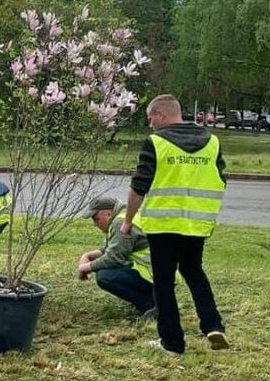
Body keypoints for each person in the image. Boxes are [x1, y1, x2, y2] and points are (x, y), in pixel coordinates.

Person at [121, 94, 229, 355]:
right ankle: (213, 325)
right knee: (193, 271)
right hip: (197, 224)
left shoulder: (156, 143)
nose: (150, 124)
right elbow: (222, 178)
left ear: (161, 115)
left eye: (150, 119)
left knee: (164, 283)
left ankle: (172, 343)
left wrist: (127, 221)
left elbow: (139, 186)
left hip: (163, 224)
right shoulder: (212, 142)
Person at [76, 196, 156, 319]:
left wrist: (85, 268)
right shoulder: (124, 216)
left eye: (96, 219)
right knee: (107, 270)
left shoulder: (120, 223)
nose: (94, 224)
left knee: (105, 276)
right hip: (158, 273)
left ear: (108, 214)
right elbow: (111, 249)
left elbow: (113, 258)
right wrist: (87, 256)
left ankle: (150, 305)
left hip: (153, 275)